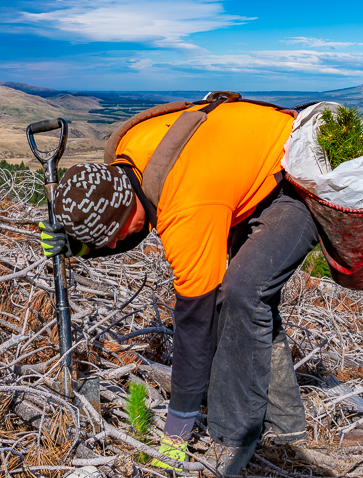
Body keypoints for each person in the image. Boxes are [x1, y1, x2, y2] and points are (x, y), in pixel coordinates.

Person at [39, 97, 319, 476]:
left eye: (117, 235)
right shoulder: (125, 155)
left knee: (240, 293)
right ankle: (286, 426)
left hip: (295, 177)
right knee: (247, 296)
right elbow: (137, 216)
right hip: (240, 172)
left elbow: (193, 326)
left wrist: (176, 431)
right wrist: (79, 246)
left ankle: (235, 438)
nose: (122, 241)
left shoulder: (187, 208)